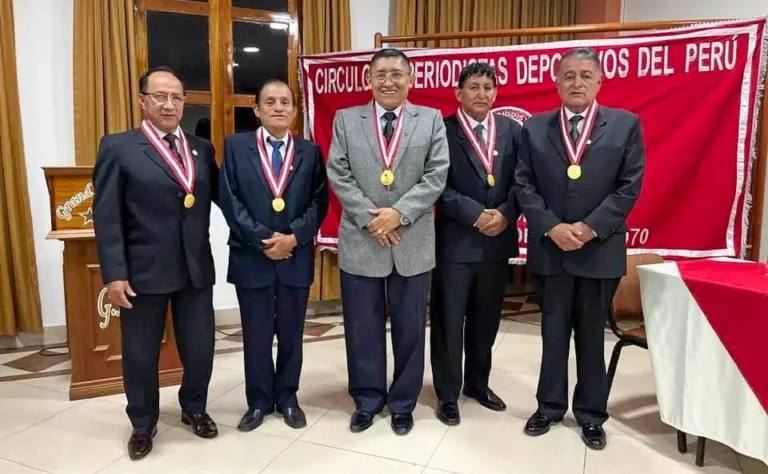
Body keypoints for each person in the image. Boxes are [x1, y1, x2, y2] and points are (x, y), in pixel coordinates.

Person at [515, 47, 645, 450]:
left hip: (598, 251)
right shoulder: (534, 128)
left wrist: (590, 229)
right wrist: (552, 227)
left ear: (599, 81)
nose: (577, 83)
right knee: (553, 335)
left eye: (586, 75)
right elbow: (523, 184)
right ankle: (549, 407)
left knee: (591, 339)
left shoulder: (625, 125)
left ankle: (591, 415)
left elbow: (629, 187)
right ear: (556, 82)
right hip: (551, 250)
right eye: (568, 75)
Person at [92, 66, 220, 461]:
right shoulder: (118, 147)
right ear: (142, 100)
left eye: (176, 97)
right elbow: (107, 216)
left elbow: (226, 198)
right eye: (160, 96)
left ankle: (194, 408)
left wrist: (264, 231)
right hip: (142, 272)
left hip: (194, 269)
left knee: (200, 348)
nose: (169, 104)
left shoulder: (201, 149)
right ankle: (143, 422)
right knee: (140, 353)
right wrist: (114, 274)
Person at [326, 48, 449, 436]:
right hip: (362, 239)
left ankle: (403, 402)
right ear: (368, 79)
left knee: (411, 329)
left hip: (411, 239)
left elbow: (436, 174)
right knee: (362, 327)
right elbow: (339, 173)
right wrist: (372, 219)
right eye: (380, 74)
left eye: (397, 73)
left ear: (410, 79)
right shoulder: (347, 120)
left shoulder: (430, 120)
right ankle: (367, 400)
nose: (388, 81)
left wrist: (398, 213)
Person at [218, 79, 329, 432]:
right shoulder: (236, 147)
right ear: (257, 109)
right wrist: (265, 239)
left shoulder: (310, 152)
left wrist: (293, 237)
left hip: (295, 256)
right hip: (252, 257)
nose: (278, 107)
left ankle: (288, 398)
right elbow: (229, 199)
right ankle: (259, 401)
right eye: (270, 101)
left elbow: (320, 201)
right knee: (256, 335)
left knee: (292, 334)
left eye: (285, 102)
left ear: (295, 111)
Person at [431, 62, 521, 426]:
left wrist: (506, 214)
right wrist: (475, 214)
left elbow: (524, 181)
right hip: (455, 243)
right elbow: (434, 183)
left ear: (496, 93)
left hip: (497, 241)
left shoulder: (512, 130)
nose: (481, 93)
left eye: (487, 87)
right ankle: (447, 394)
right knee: (449, 321)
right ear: (458, 93)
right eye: (473, 87)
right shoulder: (441, 130)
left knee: (487, 320)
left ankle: (478, 384)